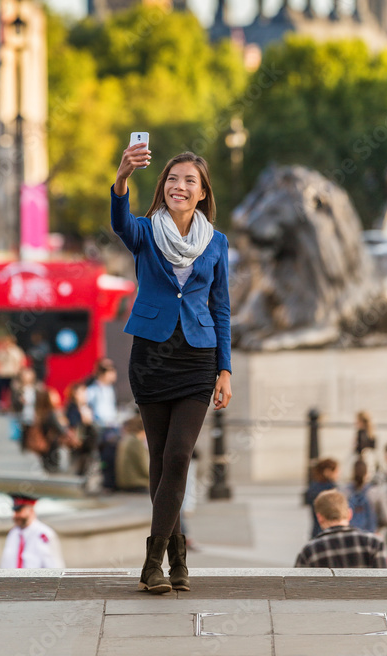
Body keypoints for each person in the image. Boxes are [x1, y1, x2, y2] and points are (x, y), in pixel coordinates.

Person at [111, 144, 232, 594]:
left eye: (189, 182)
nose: (179, 187)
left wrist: (225, 369)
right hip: (152, 358)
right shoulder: (144, 232)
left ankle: (151, 563)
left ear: (202, 194)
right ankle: (178, 561)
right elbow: (119, 222)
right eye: (172, 179)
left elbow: (221, 309)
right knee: (160, 461)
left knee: (180, 455)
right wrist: (122, 178)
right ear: (162, 186)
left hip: (198, 360)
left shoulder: (216, 243)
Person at [295, 489, 387, 568]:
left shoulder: (310, 551)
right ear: (350, 514)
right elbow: (385, 584)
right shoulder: (374, 544)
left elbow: (295, 586)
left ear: (319, 518)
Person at [0, 494, 65, 569]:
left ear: (31, 511)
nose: (15, 516)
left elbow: (54, 566)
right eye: (14, 512)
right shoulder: (13, 533)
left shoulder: (44, 534)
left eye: (19, 511)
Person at [85, 360, 120, 490]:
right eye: (111, 371)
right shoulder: (92, 390)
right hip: (101, 428)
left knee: (112, 455)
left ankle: (111, 481)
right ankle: (106, 482)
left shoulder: (110, 389)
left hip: (112, 426)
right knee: (104, 456)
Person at [65, 381, 98, 476]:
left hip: (88, 440)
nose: (85, 395)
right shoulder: (72, 407)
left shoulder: (87, 406)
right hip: (77, 439)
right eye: (82, 393)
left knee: (86, 463)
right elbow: (72, 423)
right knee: (77, 464)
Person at [305, 459, 340, 538]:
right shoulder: (331, 488)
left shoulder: (313, 487)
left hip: (316, 529)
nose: (338, 475)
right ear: (328, 472)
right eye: (336, 472)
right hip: (329, 530)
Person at [116, 415, 150, 492]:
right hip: (136, 483)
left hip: (126, 482)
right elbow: (144, 467)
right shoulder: (136, 442)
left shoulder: (127, 439)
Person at [0, 334, 26, 410]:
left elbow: (21, 361)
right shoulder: (0, 350)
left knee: (13, 391)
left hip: (12, 374)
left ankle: (12, 405)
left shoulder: (16, 350)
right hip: (1, 374)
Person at [10, 366, 37, 452]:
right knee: (23, 431)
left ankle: (30, 445)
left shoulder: (36, 388)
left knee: (32, 431)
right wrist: (20, 400)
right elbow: (14, 402)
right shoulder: (17, 388)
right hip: (21, 413)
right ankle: (23, 446)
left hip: (32, 413)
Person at [347, 458, 378, 533]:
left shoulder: (344, 491)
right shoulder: (375, 492)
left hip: (351, 534)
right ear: (367, 473)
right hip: (370, 534)